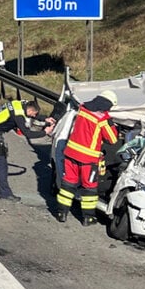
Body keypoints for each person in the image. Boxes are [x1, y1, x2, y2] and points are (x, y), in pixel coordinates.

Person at [56, 89, 119, 226]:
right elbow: (113, 139)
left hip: (71, 153)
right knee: (89, 188)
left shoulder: (83, 109)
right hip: (88, 159)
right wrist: (111, 123)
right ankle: (88, 217)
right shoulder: (102, 118)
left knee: (68, 184)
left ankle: (61, 213)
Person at [0, 99, 55, 201]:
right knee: (1, 163)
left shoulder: (20, 103)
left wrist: (45, 119)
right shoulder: (18, 116)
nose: (34, 116)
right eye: (34, 114)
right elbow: (28, 133)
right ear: (30, 111)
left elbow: (32, 114)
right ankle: (4, 193)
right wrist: (45, 132)